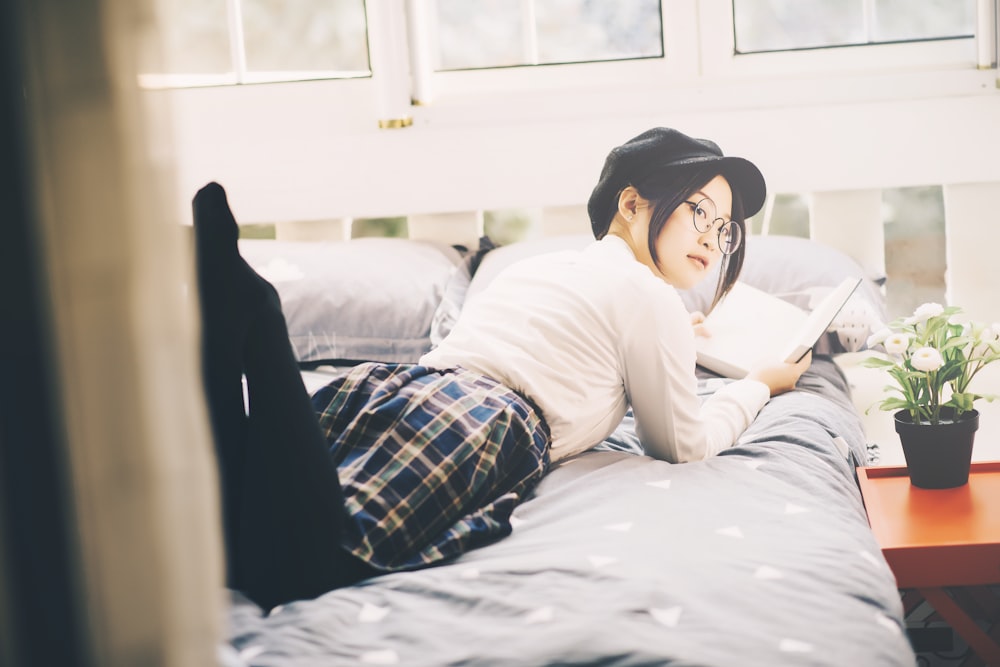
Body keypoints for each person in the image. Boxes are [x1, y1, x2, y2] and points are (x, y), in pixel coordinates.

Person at [194, 127, 810, 612]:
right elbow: (683, 443)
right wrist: (758, 384)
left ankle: (229, 347)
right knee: (310, 561)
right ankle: (264, 323)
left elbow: (578, 335)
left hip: (395, 388)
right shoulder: (653, 303)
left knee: (238, 519)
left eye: (725, 228)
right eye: (699, 211)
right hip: (477, 424)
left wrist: (683, 336)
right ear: (632, 203)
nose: (714, 237)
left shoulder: (541, 271)